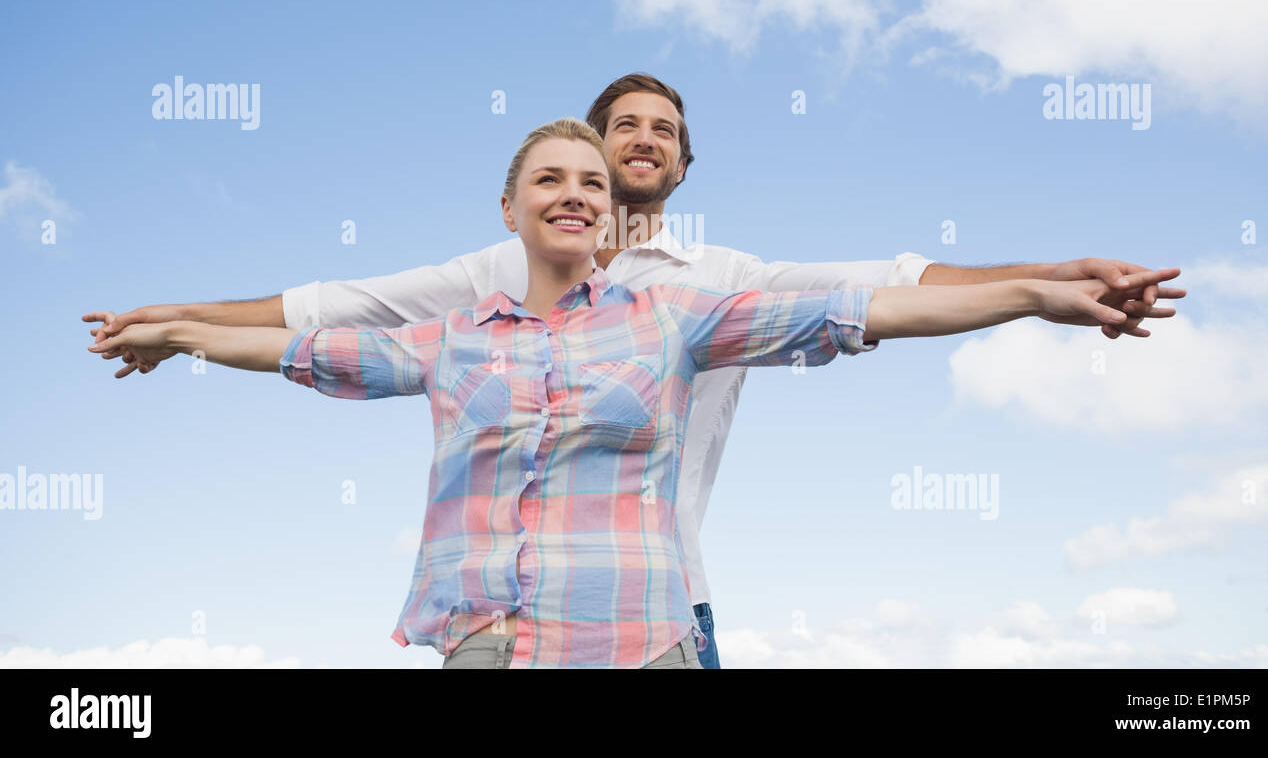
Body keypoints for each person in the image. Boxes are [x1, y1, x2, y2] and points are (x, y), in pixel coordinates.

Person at [84, 75, 1185, 668]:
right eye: (613, 134)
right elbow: (325, 323)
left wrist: (1044, 282)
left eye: (658, 131)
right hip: (498, 625)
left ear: (663, 171)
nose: (630, 149)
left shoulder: (699, 292)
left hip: (661, 608)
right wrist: (177, 320)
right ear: (535, 190)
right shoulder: (477, 301)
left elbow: (876, 291)